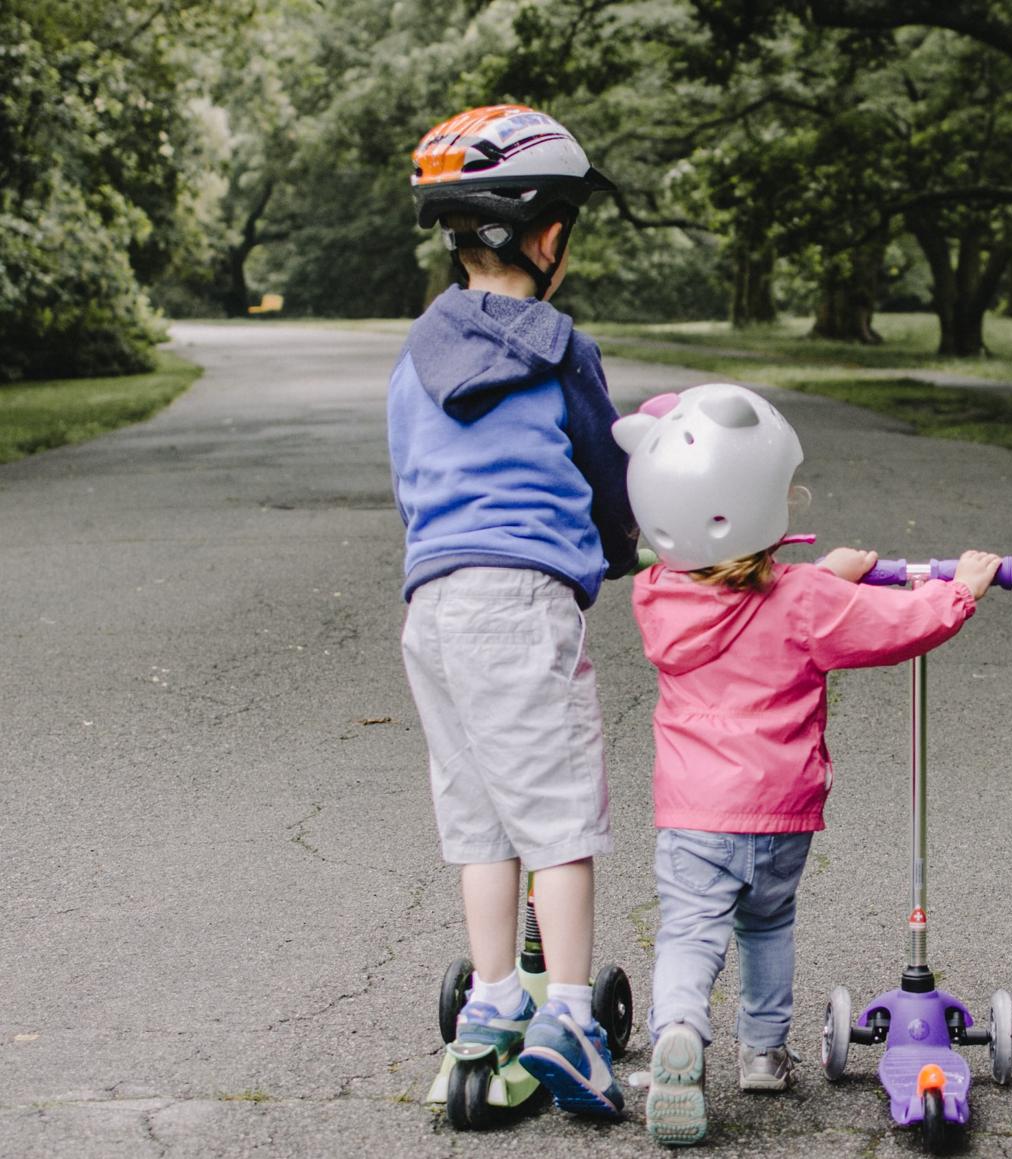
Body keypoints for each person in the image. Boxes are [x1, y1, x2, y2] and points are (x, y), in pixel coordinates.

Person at [611, 384, 1003, 1146]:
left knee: (690, 931)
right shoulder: (805, 600)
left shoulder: (659, 596)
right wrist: (959, 590)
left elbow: (742, 595)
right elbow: (895, 625)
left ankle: (679, 1032)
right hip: (779, 811)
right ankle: (762, 1053)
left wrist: (825, 572)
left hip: (694, 811)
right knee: (768, 925)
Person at [390, 104, 636, 1119]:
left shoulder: (414, 356)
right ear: (549, 237)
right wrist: (625, 549)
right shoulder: (561, 350)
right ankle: (570, 1014)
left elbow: (410, 478)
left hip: (433, 605)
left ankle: (492, 997)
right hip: (521, 602)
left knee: (480, 816)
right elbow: (609, 470)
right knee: (558, 816)